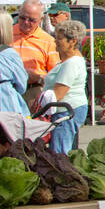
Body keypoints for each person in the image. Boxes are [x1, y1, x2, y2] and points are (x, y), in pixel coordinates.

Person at [37, 19, 89, 153]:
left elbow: (58, 95)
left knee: (60, 151)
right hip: (66, 110)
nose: (55, 41)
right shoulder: (66, 61)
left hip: (66, 111)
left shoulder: (71, 63)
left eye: (59, 38)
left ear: (73, 41)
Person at [12, 0, 59, 106]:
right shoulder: (7, 34)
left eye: (31, 20)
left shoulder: (48, 41)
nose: (25, 22)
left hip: (33, 92)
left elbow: (54, 75)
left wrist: (37, 77)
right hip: (9, 90)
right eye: (22, 18)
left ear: (41, 19)